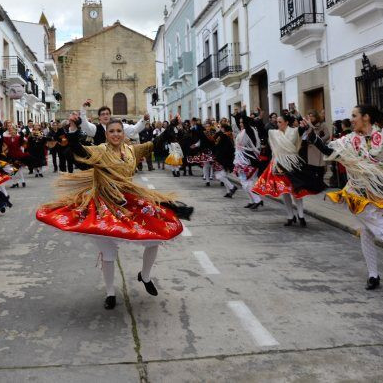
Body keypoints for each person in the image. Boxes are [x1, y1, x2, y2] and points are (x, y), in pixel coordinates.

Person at [36, 114, 193, 310]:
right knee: (108, 252)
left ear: (124, 133)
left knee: (154, 239)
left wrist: (171, 127)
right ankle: (110, 292)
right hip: (104, 205)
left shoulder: (131, 150)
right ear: (106, 134)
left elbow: (154, 144)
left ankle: (144, 276)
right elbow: (79, 151)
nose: (116, 134)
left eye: (119, 131)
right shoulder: (100, 151)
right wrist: (74, 130)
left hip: (130, 202)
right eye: (112, 131)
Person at [304, 105, 383, 290]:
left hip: (380, 192)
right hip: (357, 192)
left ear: (366, 117)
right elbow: (330, 151)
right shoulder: (349, 140)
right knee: (372, 230)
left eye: (354, 116)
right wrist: (313, 137)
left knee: (378, 230)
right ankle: (373, 274)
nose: (352, 119)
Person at [253, 111, 325, 227]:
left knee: (297, 190)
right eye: (277, 122)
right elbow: (261, 130)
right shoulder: (273, 133)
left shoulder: (294, 131)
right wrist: (258, 119)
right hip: (279, 165)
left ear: (286, 122)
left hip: (293, 164)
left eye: (280, 122)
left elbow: (304, 129)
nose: (278, 124)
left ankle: (301, 216)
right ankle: (290, 216)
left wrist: (302, 120)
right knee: (285, 192)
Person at [232, 109, 266, 210]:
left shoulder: (250, 131)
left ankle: (258, 200)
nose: (240, 124)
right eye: (240, 123)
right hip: (242, 160)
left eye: (242, 122)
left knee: (248, 182)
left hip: (250, 160)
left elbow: (246, 125)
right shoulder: (243, 131)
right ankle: (252, 201)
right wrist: (238, 116)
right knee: (243, 182)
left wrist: (242, 113)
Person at [79, 100, 147, 144]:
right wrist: (83, 108)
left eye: (107, 114)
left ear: (110, 115)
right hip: (102, 160)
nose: (105, 116)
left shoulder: (119, 126)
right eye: (103, 114)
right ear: (99, 117)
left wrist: (144, 119)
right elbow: (84, 124)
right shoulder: (95, 128)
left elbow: (134, 130)